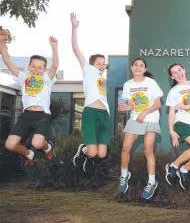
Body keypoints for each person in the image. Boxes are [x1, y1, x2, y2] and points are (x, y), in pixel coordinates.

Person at [0, 31, 59, 166]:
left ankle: (48, 147)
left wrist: (54, 48)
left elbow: (55, 65)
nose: (36, 69)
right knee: (10, 144)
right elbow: (7, 61)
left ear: (44, 69)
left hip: (42, 115)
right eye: (33, 66)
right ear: (29, 66)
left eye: (39, 67)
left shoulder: (46, 79)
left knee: (37, 143)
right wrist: (2, 41)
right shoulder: (23, 76)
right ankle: (29, 154)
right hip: (26, 115)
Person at [118, 58, 163, 200]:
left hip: (150, 118)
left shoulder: (151, 83)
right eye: (136, 65)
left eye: (141, 65)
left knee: (148, 149)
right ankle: (124, 175)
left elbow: (157, 104)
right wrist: (125, 107)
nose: (138, 67)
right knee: (125, 148)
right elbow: (131, 105)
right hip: (135, 119)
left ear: (144, 69)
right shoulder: (127, 85)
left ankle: (151, 182)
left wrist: (144, 113)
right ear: (132, 68)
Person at [70, 13, 110, 172]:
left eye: (104, 63)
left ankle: (89, 158)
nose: (102, 65)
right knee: (92, 151)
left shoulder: (102, 79)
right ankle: (84, 151)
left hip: (104, 114)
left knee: (101, 154)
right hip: (91, 113)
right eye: (99, 63)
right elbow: (75, 49)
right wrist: (74, 27)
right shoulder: (88, 70)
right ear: (92, 64)